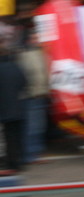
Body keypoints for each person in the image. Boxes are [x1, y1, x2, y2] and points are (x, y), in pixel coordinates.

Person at [18, 27, 48, 165]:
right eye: (35, 38)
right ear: (28, 39)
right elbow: (22, 76)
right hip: (31, 96)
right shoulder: (22, 55)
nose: (37, 40)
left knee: (39, 126)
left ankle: (35, 152)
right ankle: (29, 154)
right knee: (31, 126)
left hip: (41, 93)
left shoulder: (40, 52)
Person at [0, 35, 27, 173]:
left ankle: (11, 164)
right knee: (16, 135)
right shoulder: (14, 65)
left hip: (3, 108)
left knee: (7, 137)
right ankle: (18, 162)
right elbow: (23, 82)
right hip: (17, 105)